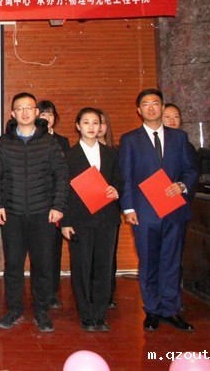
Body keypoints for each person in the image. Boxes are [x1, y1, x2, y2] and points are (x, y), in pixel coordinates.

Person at [119, 89, 199, 332]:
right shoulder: (130, 139)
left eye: (155, 103)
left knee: (172, 261)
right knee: (148, 261)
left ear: (163, 107)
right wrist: (128, 208)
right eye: (146, 104)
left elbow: (191, 169)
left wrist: (182, 185)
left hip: (174, 209)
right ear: (139, 110)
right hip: (144, 212)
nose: (151, 108)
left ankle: (171, 309)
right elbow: (125, 176)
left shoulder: (179, 137)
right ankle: (152, 309)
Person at [0, 92, 68, 333]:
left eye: (29, 108)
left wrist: (58, 206)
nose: (24, 112)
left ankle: (41, 310)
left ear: (36, 112)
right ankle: (14, 309)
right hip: (12, 213)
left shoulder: (49, 142)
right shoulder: (3, 143)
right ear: (13, 113)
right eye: (19, 108)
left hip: (42, 213)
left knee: (43, 265)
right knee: (13, 264)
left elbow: (61, 176)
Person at [60, 108, 123, 332]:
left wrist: (116, 190)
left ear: (101, 126)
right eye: (86, 122)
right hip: (79, 220)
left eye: (95, 122)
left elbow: (120, 180)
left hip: (107, 218)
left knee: (104, 267)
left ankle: (100, 314)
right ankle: (86, 314)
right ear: (78, 126)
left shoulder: (111, 154)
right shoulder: (68, 156)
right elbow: (62, 191)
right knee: (82, 267)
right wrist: (65, 221)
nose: (91, 127)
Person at [37, 99, 70, 310]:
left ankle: (51, 292)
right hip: (35, 203)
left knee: (54, 250)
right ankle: (38, 290)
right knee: (38, 251)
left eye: (50, 114)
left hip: (55, 204)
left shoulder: (62, 141)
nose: (46, 118)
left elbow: (64, 174)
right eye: (43, 114)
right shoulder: (30, 139)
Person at [97, 108, 121, 309]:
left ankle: (107, 294)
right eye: (92, 122)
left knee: (109, 255)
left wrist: (117, 190)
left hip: (109, 210)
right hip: (87, 211)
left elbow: (123, 178)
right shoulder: (78, 152)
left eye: (101, 123)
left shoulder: (116, 152)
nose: (97, 127)